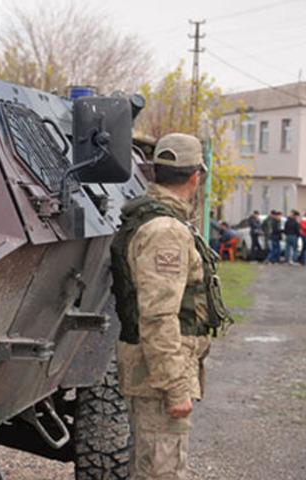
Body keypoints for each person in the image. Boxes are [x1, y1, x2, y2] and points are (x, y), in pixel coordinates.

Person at [110, 133, 232, 480]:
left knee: (149, 464)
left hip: (155, 368)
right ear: (196, 177)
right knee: (163, 470)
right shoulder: (165, 230)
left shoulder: (159, 221)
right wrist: (175, 386)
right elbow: (158, 315)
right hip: (159, 373)